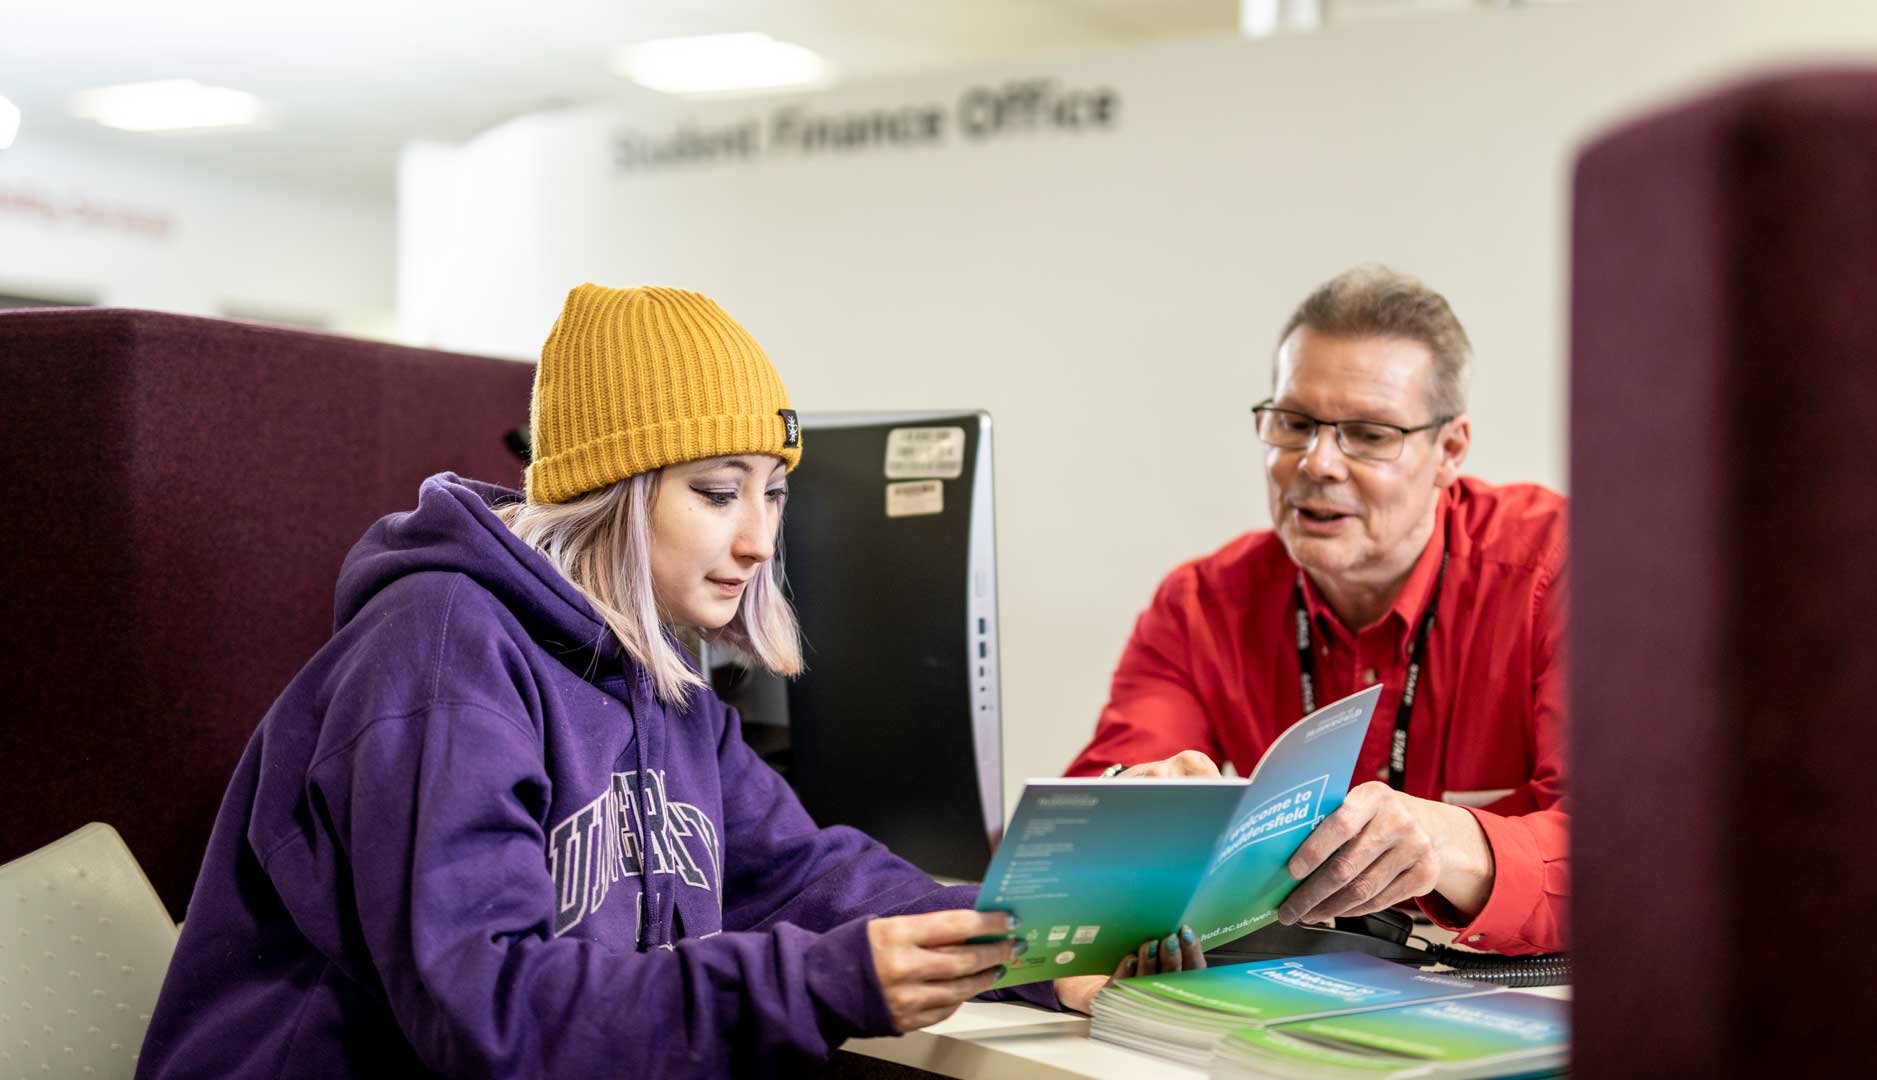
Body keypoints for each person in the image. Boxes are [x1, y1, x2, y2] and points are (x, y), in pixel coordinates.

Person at [136, 285, 1176, 1077]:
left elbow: (807, 876)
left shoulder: (659, 675)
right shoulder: (442, 652)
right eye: (718, 492)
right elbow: (481, 1013)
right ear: (610, 494)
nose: (760, 539)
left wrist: (1041, 946)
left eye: (774, 494)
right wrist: (821, 982)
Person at [1064, 265, 1567, 959]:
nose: (1317, 463)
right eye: (1294, 424)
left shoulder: (1561, 571)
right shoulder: (1200, 605)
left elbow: (1640, 857)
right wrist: (1129, 801)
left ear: (1449, 450)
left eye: (1367, 434)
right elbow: (1095, 807)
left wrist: (1454, 842)